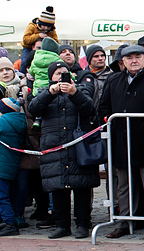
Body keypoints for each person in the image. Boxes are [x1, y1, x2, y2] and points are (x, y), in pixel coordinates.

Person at [98, 44, 144, 239]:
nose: (134, 60)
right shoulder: (113, 80)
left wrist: (140, 126)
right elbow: (104, 108)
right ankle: (125, 221)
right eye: (129, 57)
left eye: (137, 56)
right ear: (122, 61)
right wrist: (111, 122)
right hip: (121, 140)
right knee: (124, 184)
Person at [28, 61, 100, 239]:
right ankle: (62, 226)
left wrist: (74, 93)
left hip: (78, 146)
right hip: (54, 146)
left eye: (65, 72)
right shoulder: (43, 91)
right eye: (57, 73)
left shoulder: (81, 89)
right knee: (58, 187)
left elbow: (90, 109)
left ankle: (83, 224)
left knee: (82, 186)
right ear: (51, 77)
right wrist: (49, 93)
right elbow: (33, 109)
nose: (62, 76)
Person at [0, 99, 27, 237]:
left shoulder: (3, 121)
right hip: (11, 164)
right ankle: (9, 221)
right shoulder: (20, 121)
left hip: (1, 165)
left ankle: (10, 223)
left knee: (1, 196)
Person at [19, 6, 57, 75]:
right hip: (29, 48)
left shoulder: (52, 31)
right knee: (25, 61)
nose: (46, 28)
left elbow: (56, 42)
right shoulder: (32, 26)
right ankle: (22, 75)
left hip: (44, 50)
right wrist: (38, 35)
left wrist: (48, 38)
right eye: (44, 26)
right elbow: (25, 40)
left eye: (48, 27)